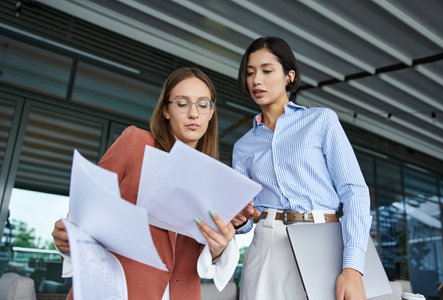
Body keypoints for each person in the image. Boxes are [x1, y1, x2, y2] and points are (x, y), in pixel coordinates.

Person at [52, 67, 239, 300]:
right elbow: (87, 211)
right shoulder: (136, 142)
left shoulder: (215, 178)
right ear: (166, 111)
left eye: (203, 104)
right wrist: (68, 238)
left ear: (211, 113)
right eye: (182, 103)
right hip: (119, 290)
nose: (194, 113)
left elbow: (203, 256)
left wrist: (219, 249)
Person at [231, 37, 372, 300]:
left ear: (289, 76)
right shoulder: (243, 146)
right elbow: (244, 222)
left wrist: (353, 266)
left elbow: (355, 191)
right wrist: (239, 219)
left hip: (324, 242)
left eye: (267, 70)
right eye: (250, 73)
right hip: (267, 247)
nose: (256, 80)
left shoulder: (321, 120)